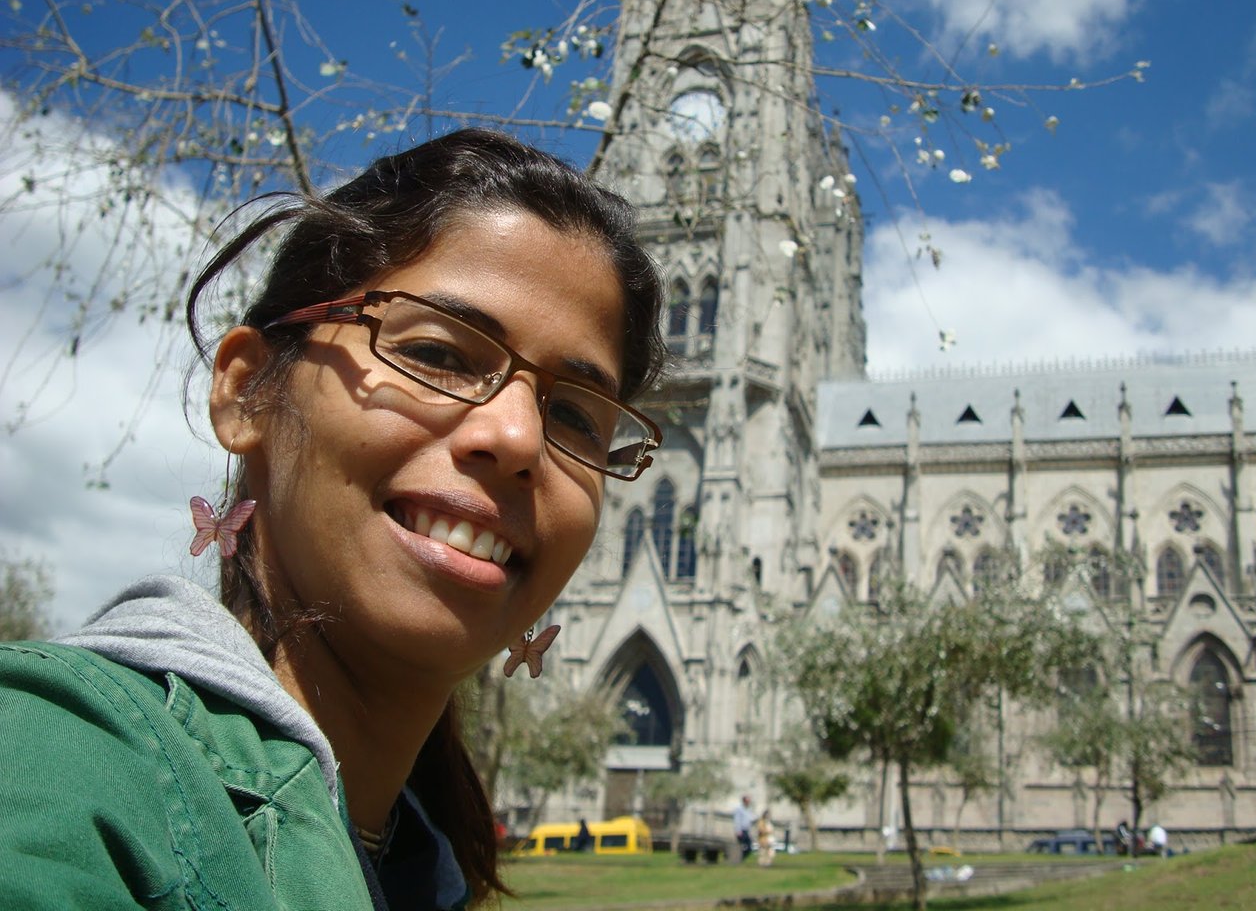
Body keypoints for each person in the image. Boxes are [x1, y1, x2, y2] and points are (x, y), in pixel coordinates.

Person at [0, 128, 666, 910]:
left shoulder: (422, 864)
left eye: (578, 417)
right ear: (249, 392)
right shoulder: (58, 765)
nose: (517, 438)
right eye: (440, 354)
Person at [733, 794, 757, 860]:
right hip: (741, 831)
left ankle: (740, 858)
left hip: (746, 830)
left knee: (749, 846)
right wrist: (738, 831)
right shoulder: (739, 809)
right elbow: (737, 820)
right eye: (747, 801)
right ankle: (737, 858)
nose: (749, 802)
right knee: (741, 846)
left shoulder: (748, 809)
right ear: (744, 801)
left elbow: (751, 818)